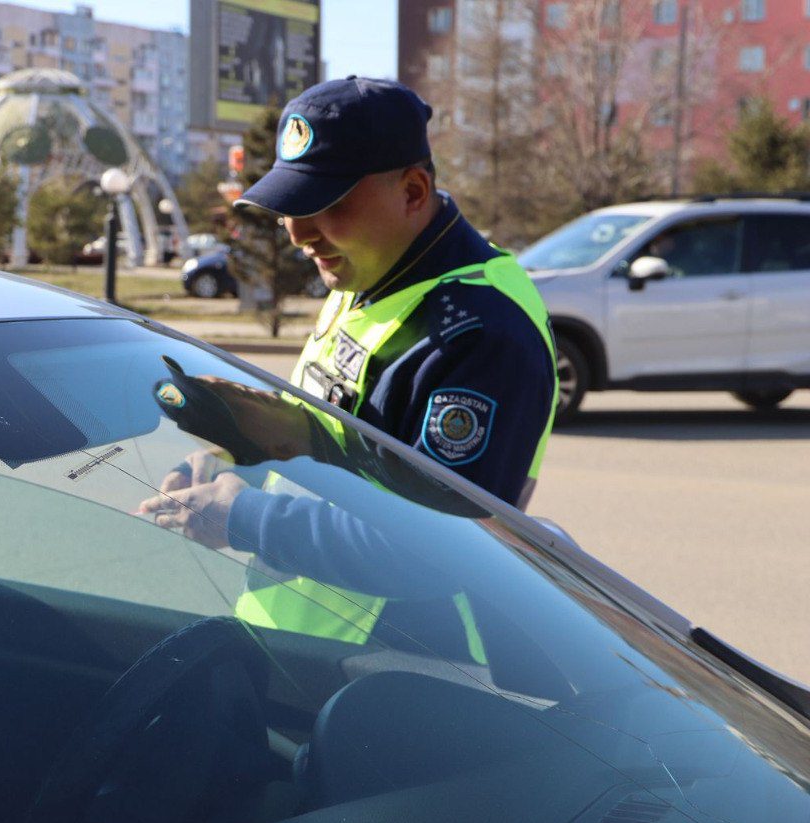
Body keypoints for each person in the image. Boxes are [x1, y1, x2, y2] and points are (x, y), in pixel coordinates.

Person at [140, 77, 556, 648]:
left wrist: (242, 518)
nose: (297, 234)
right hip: (302, 642)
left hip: (402, 673)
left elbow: (441, 551)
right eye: (289, 206)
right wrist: (236, 461)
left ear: (413, 192)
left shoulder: (484, 330)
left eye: (325, 204)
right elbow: (333, 447)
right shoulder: (370, 269)